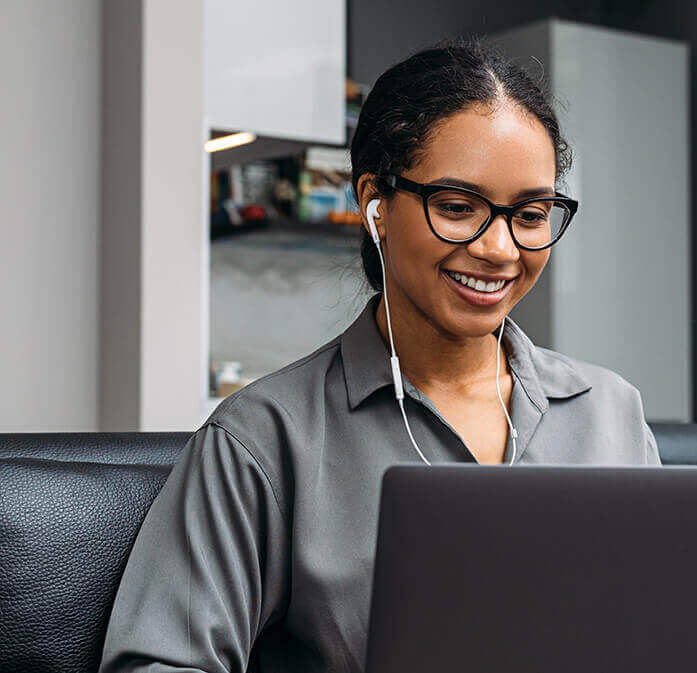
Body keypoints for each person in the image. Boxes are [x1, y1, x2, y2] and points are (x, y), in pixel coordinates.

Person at [98, 35, 661, 673]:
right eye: (457, 207)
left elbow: (669, 634)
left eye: (529, 214)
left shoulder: (611, 414)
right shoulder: (265, 439)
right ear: (376, 206)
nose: (500, 249)